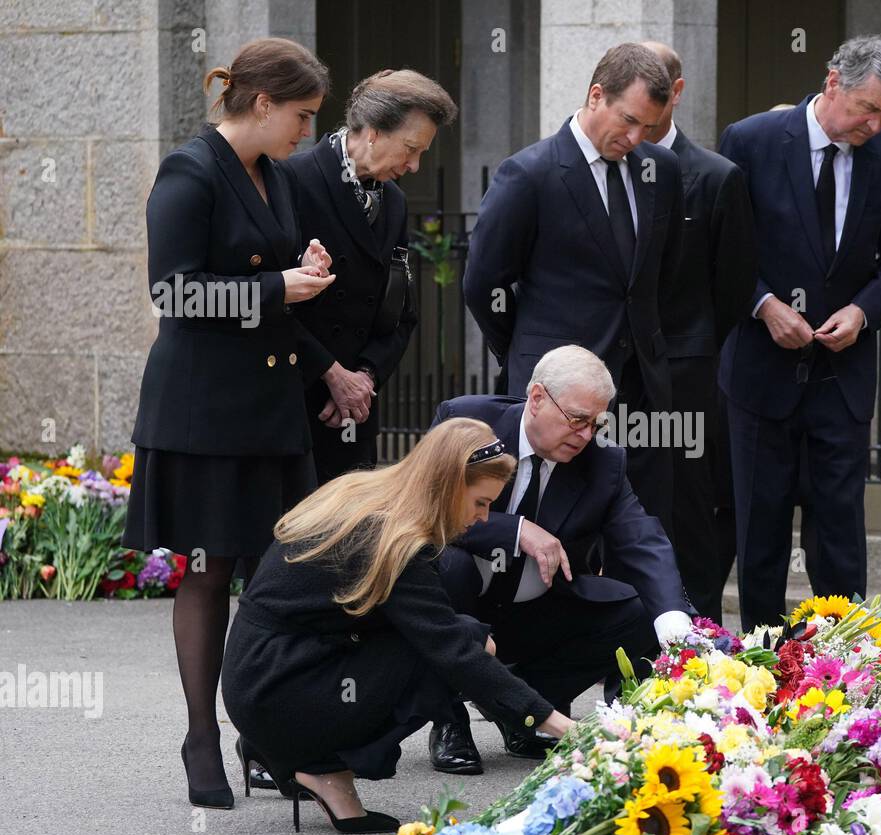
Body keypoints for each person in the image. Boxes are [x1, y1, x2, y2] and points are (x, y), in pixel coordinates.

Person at [123, 37, 339, 810]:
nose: (307, 132)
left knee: (278, 577)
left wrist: (300, 270)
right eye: (303, 116)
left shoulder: (272, 174)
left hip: (270, 408)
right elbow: (174, 294)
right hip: (206, 411)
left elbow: (265, 273)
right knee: (211, 571)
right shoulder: (190, 169)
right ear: (260, 103)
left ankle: (266, 734)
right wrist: (278, 286)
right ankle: (200, 736)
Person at [221, 417, 574, 832]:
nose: (483, 517)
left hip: (262, 670)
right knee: (454, 652)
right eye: (480, 502)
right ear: (446, 485)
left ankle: (303, 756)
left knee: (463, 637)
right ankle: (318, 765)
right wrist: (560, 725)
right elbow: (452, 652)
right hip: (275, 685)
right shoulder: (396, 539)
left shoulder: (369, 493)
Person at [718, 35, 881, 631]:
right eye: (867, 109)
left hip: (843, 378)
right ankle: (759, 661)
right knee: (762, 532)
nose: (875, 125)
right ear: (833, 82)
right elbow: (723, 251)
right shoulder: (750, 141)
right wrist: (763, 305)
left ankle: (845, 664)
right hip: (760, 375)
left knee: (839, 533)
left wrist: (862, 311)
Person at [427, 346, 693, 775]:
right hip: (463, 601)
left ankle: (526, 709)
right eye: (577, 419)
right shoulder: (468, 423)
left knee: (640, 608)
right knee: (446, 564)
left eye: (596, 423)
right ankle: (449, 721)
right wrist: (515, 530)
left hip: (535, 611)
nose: (586, 434)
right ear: (536, 398)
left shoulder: (603, 462)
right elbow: (427, 510)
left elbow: (642, 539)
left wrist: (674, 622)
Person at [463, 43, 683, 530]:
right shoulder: (530, 172)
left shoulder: (661, 171)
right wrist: (527, 350)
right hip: (561, 393)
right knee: (556, 526)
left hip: (642, 389)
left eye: (647, 127)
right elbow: (483, 284)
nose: (634, 136)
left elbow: (658, 276)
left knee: (640, 527)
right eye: (627, 120)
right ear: (596, 95)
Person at [286, 69, 457, 483]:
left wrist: (365, 377)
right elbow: (271, 301)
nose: (415, 166)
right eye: (411, 149)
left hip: (355, 410)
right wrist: (331, 373)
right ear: (374, 132)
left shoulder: (394, 202)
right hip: (297, 400)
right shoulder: (293, 180)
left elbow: (401, 313)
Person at [640, 41, 756, 623]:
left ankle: (697, 652)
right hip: (603, 383)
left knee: (688, 522)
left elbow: (732, 290)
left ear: (676, 91)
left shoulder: (716, 177)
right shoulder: (590, 171)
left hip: (685, 381)